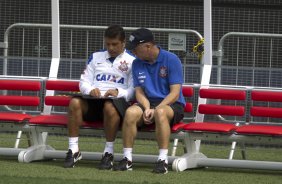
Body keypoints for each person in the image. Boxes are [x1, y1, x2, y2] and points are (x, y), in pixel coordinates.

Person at [114, 28, 185, 174]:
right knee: (130, 112)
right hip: (149, 104)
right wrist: (146, 108)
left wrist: (155, 108)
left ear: (147, 46)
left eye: (135, 49)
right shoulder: (137, 63)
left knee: (160, 112)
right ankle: (127, 159)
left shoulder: (171, 59)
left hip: (171, 104)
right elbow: (139, 92)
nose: (133, 52)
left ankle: (162, 160)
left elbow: (175, 93)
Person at [64, 25, 135, 169]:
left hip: (115, 104)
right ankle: (74, 150)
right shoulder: (95, 57)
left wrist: (117, 92)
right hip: (93, 102)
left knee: (110, 106)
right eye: (107, 44)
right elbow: (83, 82)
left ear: (123, 43)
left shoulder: (132, 60)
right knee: (74, 103)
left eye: (114, 44)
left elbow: (133, 90)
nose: (111, 47)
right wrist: (90, 90)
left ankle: (108, 153)